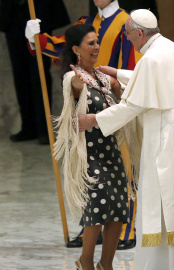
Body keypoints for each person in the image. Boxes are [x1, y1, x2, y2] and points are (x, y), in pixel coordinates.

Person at [77, 9, 174, 270]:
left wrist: (94, 120)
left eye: (130, 35)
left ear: (140, 33)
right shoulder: (169, 47)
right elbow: (155, 80)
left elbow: (132, 106)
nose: (129, 40)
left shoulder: (151, 59)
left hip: (173, 134)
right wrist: (119, 72)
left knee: (170, 198)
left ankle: (169, 264)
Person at [25, 0, 141, 250]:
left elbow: (133, 65)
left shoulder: (127, 23)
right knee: (89, 171)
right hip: (88, 103)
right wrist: (36, 38)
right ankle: (93, 227)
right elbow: (63, 47)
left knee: (123, 166)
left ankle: (126, 228)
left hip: (115, 98)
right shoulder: (86, 23)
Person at [53, 23, 131, 270]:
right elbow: (75, 86)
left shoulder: (104, 77)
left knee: (118, 208)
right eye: (90, 43)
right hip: (89, 155)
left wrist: (118, 82)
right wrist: (81, 77)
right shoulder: (72, 78)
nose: (96, 47)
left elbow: (125, 97)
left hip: (112, 151)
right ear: (76, 49)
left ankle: (105, 264)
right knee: (96, 206)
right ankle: (85, 261)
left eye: (97, 42)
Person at [0, 0, 70, 144]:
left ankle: (43, 129)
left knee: (39, 75)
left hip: (37, 15)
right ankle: (28, 127)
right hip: (13, 17)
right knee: (20, 74)